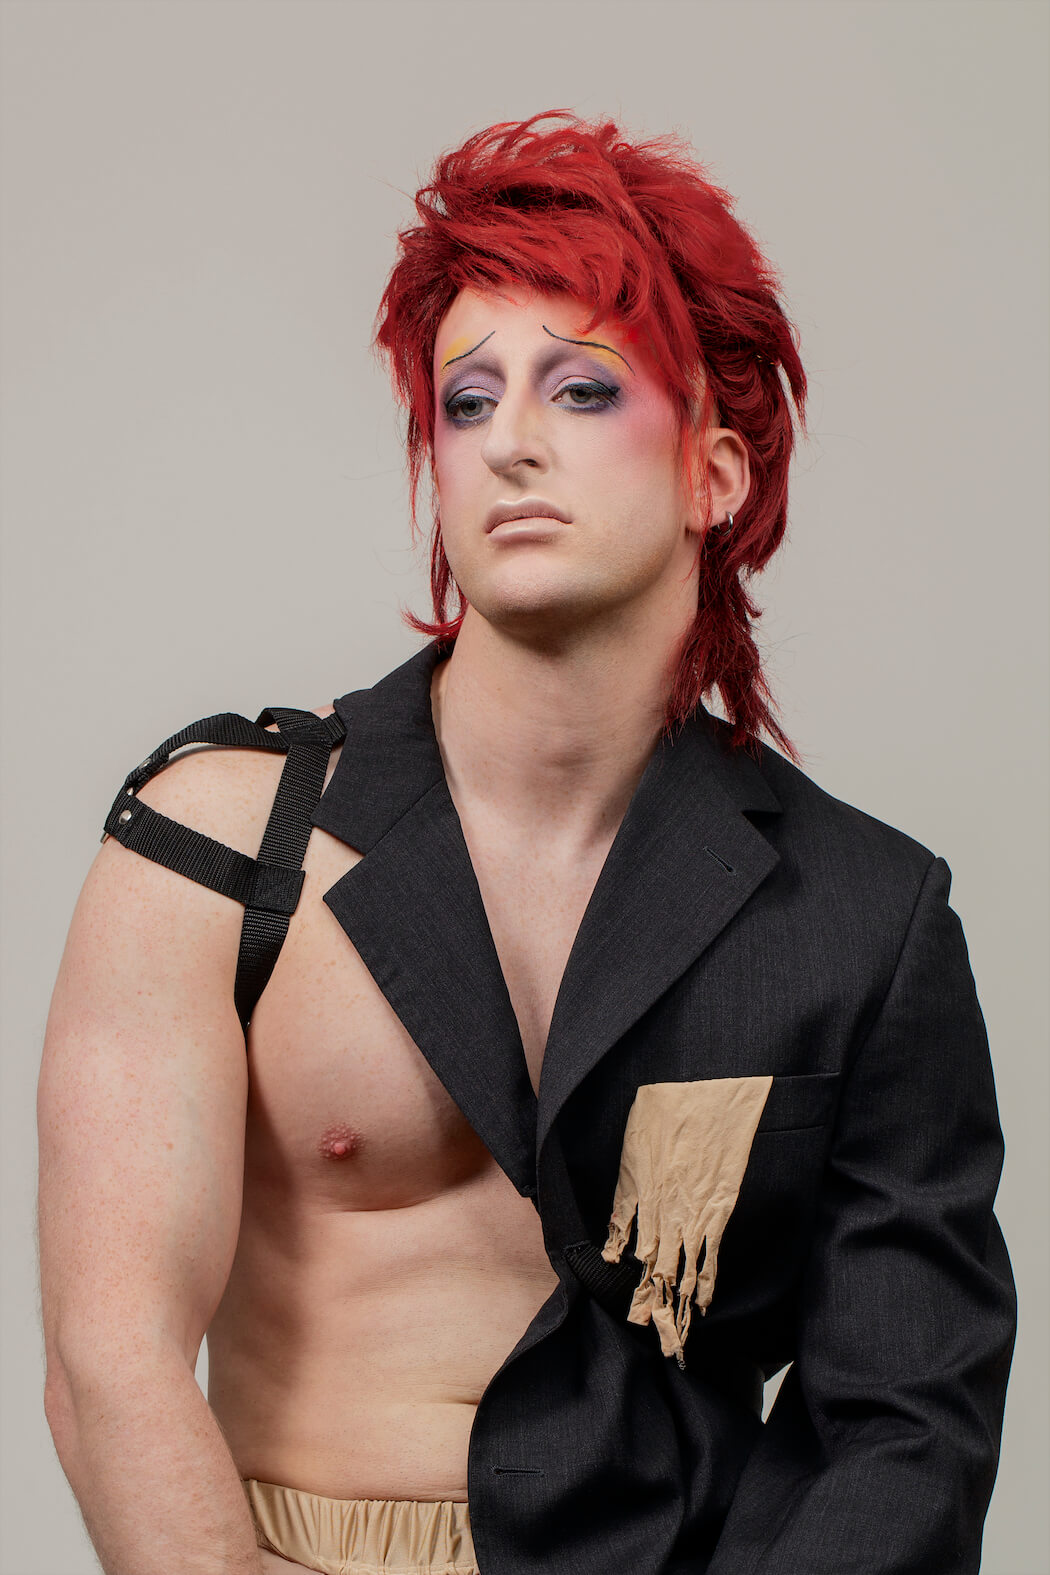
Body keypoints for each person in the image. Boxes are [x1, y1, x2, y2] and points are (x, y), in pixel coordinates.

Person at [37, 111, 1015, 1575]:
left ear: (714, 474)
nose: (510, 443)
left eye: (583, 388)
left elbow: (904, 1429)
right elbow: (108, 1358)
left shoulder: (862, 916)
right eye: (468, 400)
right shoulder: (224, 844)